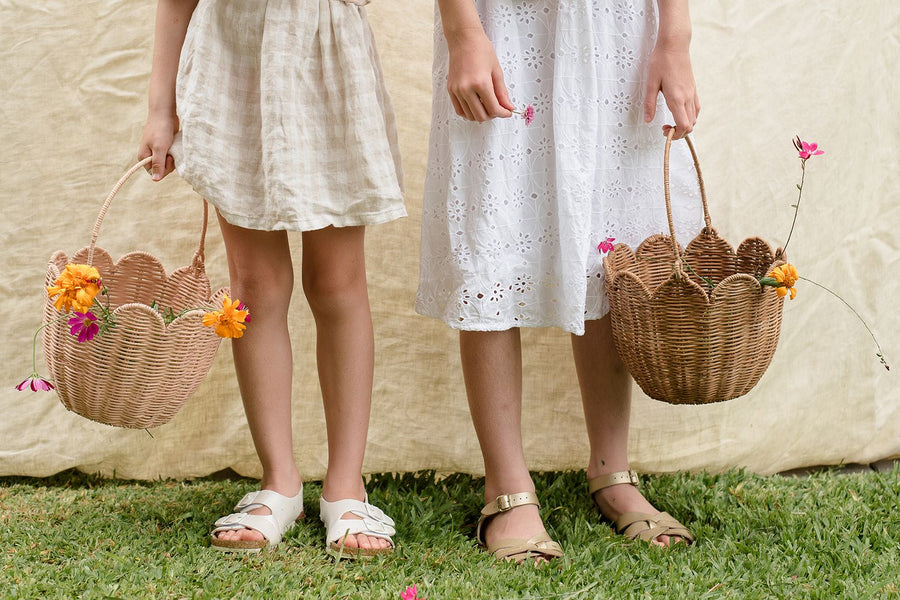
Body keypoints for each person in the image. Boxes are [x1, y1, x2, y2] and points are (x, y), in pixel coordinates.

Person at [417, 0, 701, 562]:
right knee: (494, 236)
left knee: (609, 239)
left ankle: (611, 469)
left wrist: (676, 35)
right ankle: (506, 488)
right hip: (502, 24)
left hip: (616, 26)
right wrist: (462, 30)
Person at [139, 0, 404, 556]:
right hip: (233, 58)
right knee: (254, 287)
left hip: (327, 53)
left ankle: (345, 484)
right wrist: (160, 109)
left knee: (338, 283)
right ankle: (279, 481)